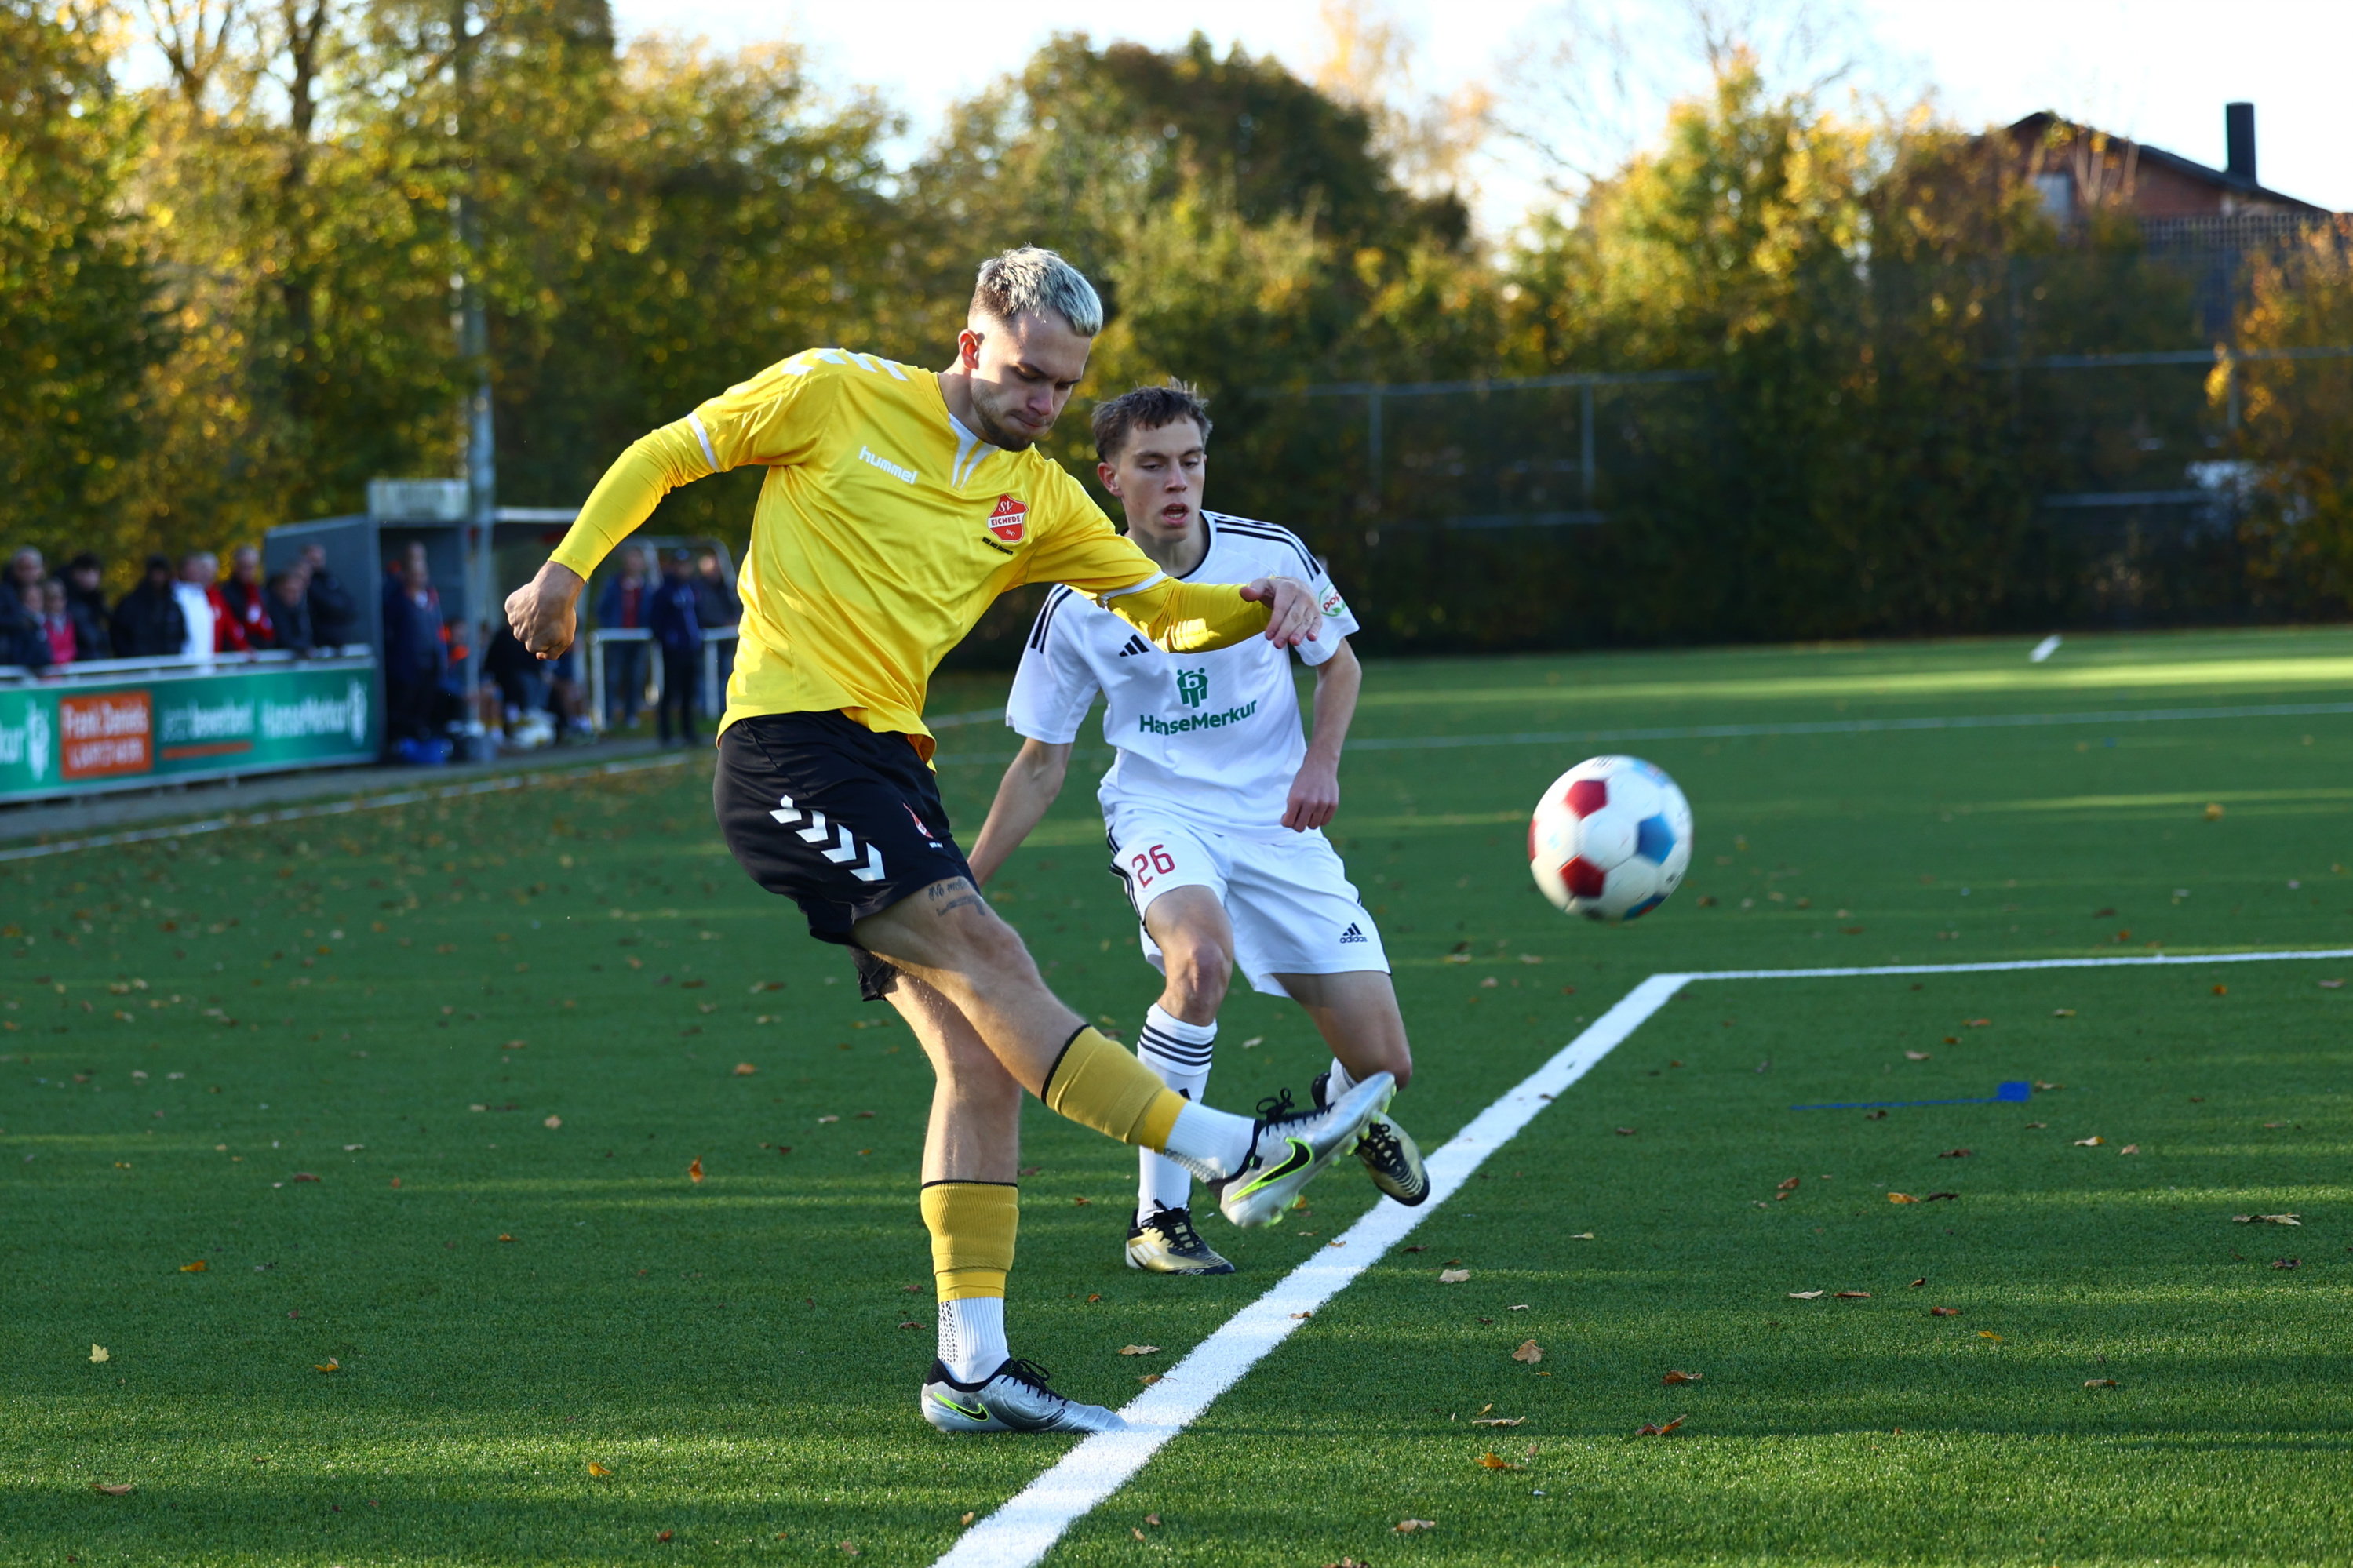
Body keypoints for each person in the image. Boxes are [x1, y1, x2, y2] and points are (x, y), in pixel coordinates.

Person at [504, 246, 1393, 1436]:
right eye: (1029, 374)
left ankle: (971, 1368)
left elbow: (1163, 611)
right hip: (786, 752)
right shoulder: (831, 390)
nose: (1044, 403)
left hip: (892, 771)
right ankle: (1234, 1149)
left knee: (980, 1058)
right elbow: (670, 452)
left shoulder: (1044, 499)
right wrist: (568, 568)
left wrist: (1260, 605)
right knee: (993, 958)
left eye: (1066, 387)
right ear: (971, 343)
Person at [967, 382, 1426, 1276]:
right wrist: (962, 878)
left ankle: (1331, 1119)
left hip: (1275, 821)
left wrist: (1319, 764)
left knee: (1386, 1066)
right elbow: (1039, 762)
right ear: (1110, 479)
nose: (1177, 481)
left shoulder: (1270, 554)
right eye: (1152, 465)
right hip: (1160, 813)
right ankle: (1156, 1219)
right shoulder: (1078, 595)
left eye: (1190, 460)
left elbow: (1339, 668)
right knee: (1199, 964)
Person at [382, 542, 448, 748]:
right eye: (416, 574)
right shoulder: (398, 599)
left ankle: (420, 738)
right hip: (408, 663)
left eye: (423, 574)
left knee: (425, 701)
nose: (420, 578)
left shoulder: (430, 598)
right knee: (405, 702)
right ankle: (401, 742)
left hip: (429, 660)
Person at [646, 548, 704, 745]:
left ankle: (689, 732)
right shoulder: (664, 591)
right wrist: (669, 640)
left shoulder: (692, 588)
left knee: (689, 692)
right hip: (673, 651)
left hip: (690, 648)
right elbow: (656, 620)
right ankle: (665, 734)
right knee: (670, 691)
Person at [592, 546, 650, 730]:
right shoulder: (613, 584)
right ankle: (607, 717)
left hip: (639, 640)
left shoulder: (647, 587)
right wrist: (610, 627)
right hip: (616, 640)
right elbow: (601, 609)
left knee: (635, 678)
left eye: (637, 559)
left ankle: (630, 715)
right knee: (613, 678)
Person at [693, 548, 741, 715]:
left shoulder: (726, 587)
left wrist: (733, 621)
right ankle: (707, 710)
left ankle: (724, 708)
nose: (715, 570)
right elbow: (703, 612)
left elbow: (735, 607)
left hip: (725, 641)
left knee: (725, 675)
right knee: (705, 677)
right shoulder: (698, 588)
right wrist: (723, 622)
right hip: (706, 641)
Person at [111, 555, 188, 658]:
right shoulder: (131, 604)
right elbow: (118, 634)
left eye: (162, 572)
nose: (158, 577)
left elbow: (180, 635)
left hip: (167, 666)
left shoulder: (173, 606)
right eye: (155, 572)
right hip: (138, 666)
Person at [300, 544, 358, 649]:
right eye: (312, 559)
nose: (317, 563)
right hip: (317, 641)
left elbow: (351, 605)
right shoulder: (305, 583)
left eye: (320, 559)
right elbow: (327, 605)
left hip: (338, 640)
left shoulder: (330, 578)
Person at [217, 544, 273, 651]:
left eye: (251, 567)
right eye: (244, 567)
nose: (248, 572)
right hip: (235, 654)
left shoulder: (261, 592)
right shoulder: (225, 593)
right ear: (236, 566)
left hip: (261, 652)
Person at [0, 548, 47, 669]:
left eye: (31, 568)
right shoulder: (5, 593)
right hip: (13, 661)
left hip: (44, 660)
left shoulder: (52, 593)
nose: (27, 573)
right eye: (22, 568)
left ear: (40, 569)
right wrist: (21, 622)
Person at [63, 553, 111, 659]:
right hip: (80, 666)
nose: (91, 577)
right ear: (75, 574)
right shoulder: (67, 605)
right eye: (87, 571)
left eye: (95, 572)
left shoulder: (100, 604)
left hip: (100, 663)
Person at [174, 551, 220, 659]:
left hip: (206, 661)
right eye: (191, 567)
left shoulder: (203, 595)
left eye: (198, 567)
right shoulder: (175, 596)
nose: (195, 571)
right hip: (184, 663)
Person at [267, 566, 315, 654]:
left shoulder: (302, 609)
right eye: (290, 590)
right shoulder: (269, 608)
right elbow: (284, 639)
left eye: (298, 591)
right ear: (279, 589)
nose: (295, 596)